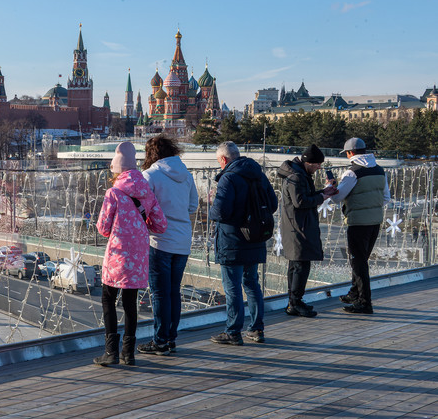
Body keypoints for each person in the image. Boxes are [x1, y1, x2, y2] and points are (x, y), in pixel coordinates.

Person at [95, 142, 167, 366]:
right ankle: (129, 353)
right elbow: (160, 225)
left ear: (117, 171)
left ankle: (111, 352)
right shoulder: (147, 192)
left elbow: (103, 228)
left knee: (108, 299)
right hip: (138, 256)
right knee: (130, 303)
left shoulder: (113, 192)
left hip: (117, 255)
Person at [209, 141, 277, 345]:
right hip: (255, 238)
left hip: (232, 240)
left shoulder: (228, 178)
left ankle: (233, 331)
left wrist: (213, 206)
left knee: (233, 288)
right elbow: (272, 204)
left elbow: (219, 212)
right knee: (252, 284)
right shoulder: (258, 174)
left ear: (223, 159)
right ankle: (257, 329)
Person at [138, 135, 198, 356]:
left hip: (160, 240)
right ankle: (170, 338)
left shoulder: (150, 175)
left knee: (159, 293)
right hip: (183, 240)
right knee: (174, 292)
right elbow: (192, 206)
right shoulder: (187, 174)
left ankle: (160, 341)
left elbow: (142, 207)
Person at [328, 137, 391, 314]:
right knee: (362, 259)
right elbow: (386, 198)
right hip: (375, 222)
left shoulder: (352, 173)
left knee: (358, 262)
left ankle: (365, 302)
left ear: (350, 153)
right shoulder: (379, 170)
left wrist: (330, 186)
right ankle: (354, 293)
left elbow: (337, 197)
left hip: (357, 223)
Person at [276, 144, 338, 318]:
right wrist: (322, 197)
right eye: (317, 164)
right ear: (308, 162)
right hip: (297, 227)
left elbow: (304, 197)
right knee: (300, 265)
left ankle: (294, 302)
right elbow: (300, 202)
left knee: (298, 264)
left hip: (298, 225)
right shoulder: (296, 177)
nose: (319, 168)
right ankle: (294, 303)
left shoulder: (300, 174)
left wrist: (323, 192)